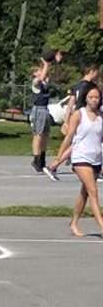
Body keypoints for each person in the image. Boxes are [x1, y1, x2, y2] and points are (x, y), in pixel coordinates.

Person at [49, 83, 103, 236]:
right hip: (80, 157)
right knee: (93, 191)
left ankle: (74, 222)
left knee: (85, 193)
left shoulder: (101, 117)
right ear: (85, 98)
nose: (94, 100)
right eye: (91, 97)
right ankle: (101, 225)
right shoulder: (79, 115)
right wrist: (59, 158)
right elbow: (69, 139)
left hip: (96, 159)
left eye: (97, 97)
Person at [28, 51, 57, 174]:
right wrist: (46, 63)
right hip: (38, 110)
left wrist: (53, 60)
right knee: (38, 135)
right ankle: (36, 159)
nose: (42, 72)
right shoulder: (35, 82)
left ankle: (42, 159)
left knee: (45, 135)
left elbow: (47, 73)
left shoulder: (45, 82)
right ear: (34, 73)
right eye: (39, 70)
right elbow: (42, 75)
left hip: (45, 109)